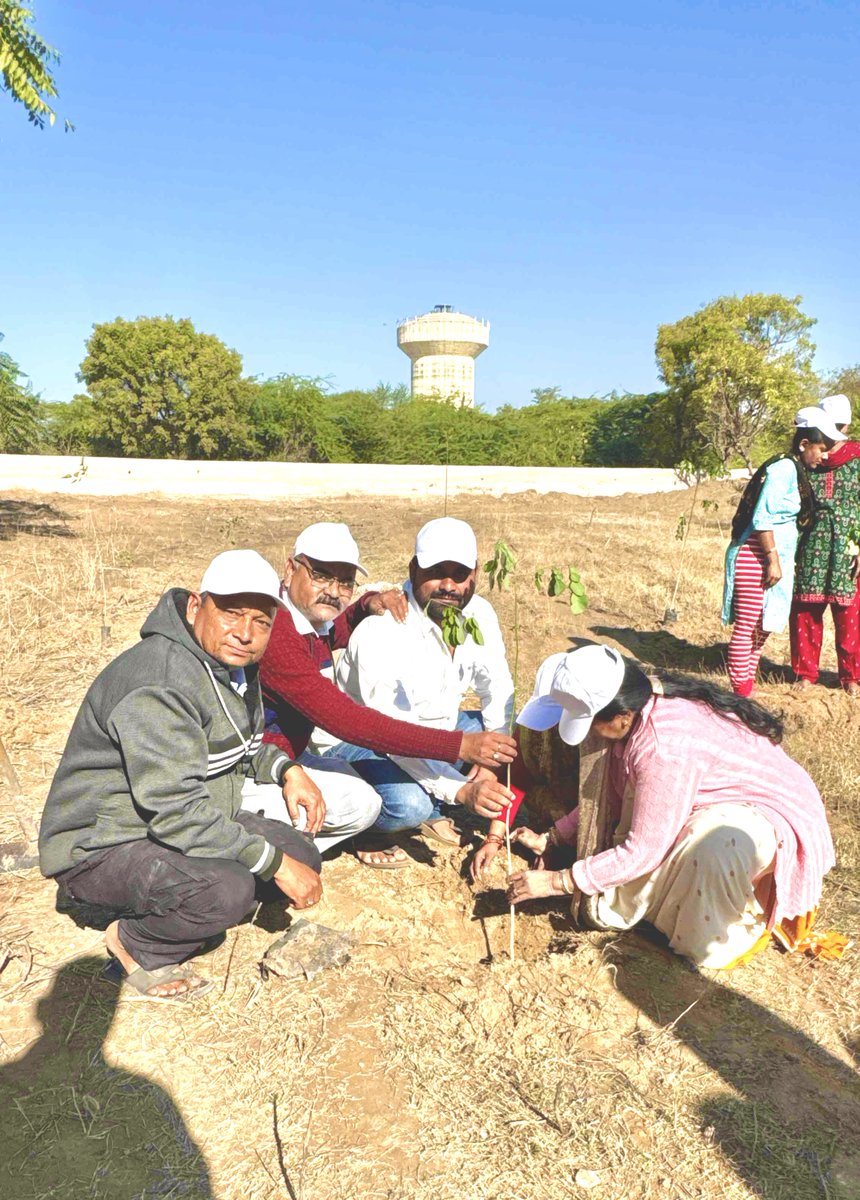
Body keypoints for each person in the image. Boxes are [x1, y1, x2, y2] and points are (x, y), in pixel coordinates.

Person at [40, 550, 325, 1003]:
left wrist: (288, 770)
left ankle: (196, 894)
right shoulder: (161, 679)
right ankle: (135, 943)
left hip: (180, 815)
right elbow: (176, 811)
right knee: (226, 891)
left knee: (300, 851)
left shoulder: (230, 665)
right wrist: (269, 864)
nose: (245, 633)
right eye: (231, 613)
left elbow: (240, 745)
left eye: (261, 621)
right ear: (196, 607)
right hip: (101, 844)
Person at [501, 645, 841, 970]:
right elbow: (607, 795)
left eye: (589, 722)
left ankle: (736, 930)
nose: (588, 733)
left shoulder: (664, 747)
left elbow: (644, 849)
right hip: (715, 797)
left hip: (772, 814)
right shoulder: (636, 714)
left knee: (714, 845)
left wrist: (556, 882)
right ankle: (664, 906)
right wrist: (554, 838)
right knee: (661, 838)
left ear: (622, 716)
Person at [258, 521, 517, 868]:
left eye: (345, 582)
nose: (449, 585)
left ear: (475, 575)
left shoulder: (478, 614)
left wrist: (490, 760)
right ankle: (369, 828)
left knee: (491, 734)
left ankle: (434, 792)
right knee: (409, 805)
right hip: (352, 740)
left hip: (413, 732)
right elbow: (368, 727)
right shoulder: (375, 630)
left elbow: (498, 688)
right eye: (320, 575)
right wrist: (461, 772)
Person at [722, 406, 844, 696]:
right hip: (757, 557)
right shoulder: (783, 469)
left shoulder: (796, 468)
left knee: (760, 629)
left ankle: (744, 690)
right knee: (747, 625)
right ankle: (740, 694)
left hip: (768, 559)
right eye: (821, 449)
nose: (825, 455)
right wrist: (773, 560)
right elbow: (763, 517)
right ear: (804, 444)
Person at [790, 394, 860, 696]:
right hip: (812, 542)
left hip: (849, 546)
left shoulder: (857, 458)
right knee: (806, 609)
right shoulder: (806, 460)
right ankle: (805, 673)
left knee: (849, 615)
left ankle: (852, 677)